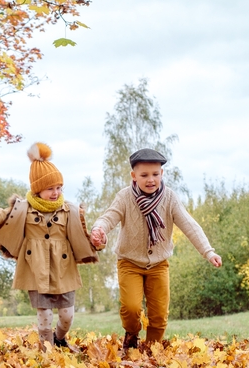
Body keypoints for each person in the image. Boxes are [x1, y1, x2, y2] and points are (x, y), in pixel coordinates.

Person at [0, 142, 98, 348]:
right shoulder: (23, 209)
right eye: (50, 189)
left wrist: (98, 240)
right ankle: (48, 350)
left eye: (58, 188)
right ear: (37, 190)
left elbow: (83, 236)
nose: (55, 193)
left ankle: (60, 339)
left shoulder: (69, 210)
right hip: (36, 268)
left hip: (64, 270)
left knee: (67, 316)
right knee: (44, 317)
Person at [90, 148, 223, 352]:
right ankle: (132, 335)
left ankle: (152, 350)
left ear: (162, 174)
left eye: (155, 174)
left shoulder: (169, 198)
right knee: (132, 308)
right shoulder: (125, 197)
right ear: (134, 176)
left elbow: (189, 225)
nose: (150, 179)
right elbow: (109, 217)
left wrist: (209, 251)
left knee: (159, 314)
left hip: (159, 265)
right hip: (129, 262)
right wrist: (99, 229)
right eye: (144, 175)